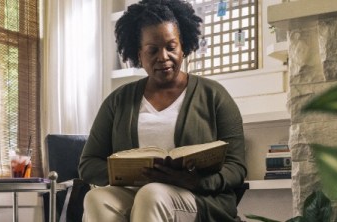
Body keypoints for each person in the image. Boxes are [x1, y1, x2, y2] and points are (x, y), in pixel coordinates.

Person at [78, 0, 246, 221]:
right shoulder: (118, 101)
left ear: (183, 46)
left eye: (171, 46)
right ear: (139, 54)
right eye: (152, 50)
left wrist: (197, 181)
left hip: (199, 197)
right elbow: (88, 164)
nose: (163, 56)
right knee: (96, 198)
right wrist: (131, 175)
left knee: (152, 194)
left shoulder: (214, 95)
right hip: (136, 191)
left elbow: (237, 166)